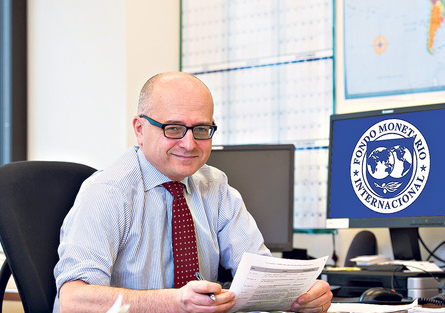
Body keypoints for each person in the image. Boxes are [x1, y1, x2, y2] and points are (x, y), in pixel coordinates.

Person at [53, 72, 332, 313]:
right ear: (140, 129)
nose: (189, 144)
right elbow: (73, 301)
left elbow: (262, 276)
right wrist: (174, 303)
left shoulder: (216, 187)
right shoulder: (107, 193)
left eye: (201, 129)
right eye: (173, 128)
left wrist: (302, 295)